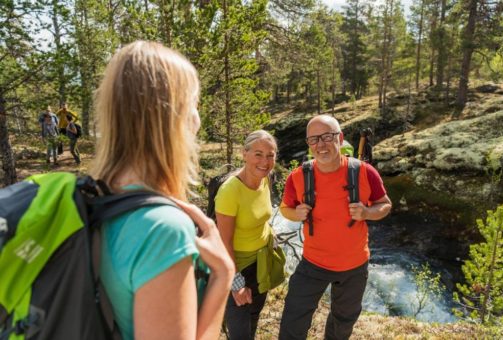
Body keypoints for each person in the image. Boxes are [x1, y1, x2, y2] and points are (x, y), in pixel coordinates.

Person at [91, 41, 235, 340]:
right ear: (174, 116)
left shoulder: (94, 198)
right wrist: (223, 276)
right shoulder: (161, 229)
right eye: (194, 103)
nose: (197, 117)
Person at [278, 115, 392, 340]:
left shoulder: (364, 172)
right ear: (309, 144)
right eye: (314, 140)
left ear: (340, 138)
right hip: (313, 263)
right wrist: (295, 213)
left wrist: (367, 212)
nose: (321, 145)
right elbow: (284, 208)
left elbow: (385, 205)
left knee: (343, 323)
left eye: (327, 137)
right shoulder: (299, 177)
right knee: (294, 318)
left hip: (354, 265)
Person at [215, 130, 285, 340]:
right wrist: (236, 285)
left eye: (270, 155)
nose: (265, 161)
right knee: (239, 333)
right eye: (258, 154)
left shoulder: (265, 179)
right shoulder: (230, 191)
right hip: (237, 267)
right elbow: (223, 242)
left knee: (253, 318)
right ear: (244, 154)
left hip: (261, 263)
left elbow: (260, 217)